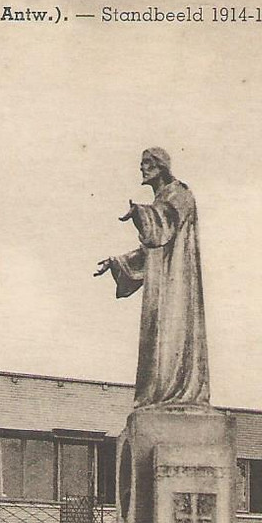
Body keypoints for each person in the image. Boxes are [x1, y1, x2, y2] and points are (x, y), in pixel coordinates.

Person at [94, 148, 210, 408]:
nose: (142, 168)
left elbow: (163, 227)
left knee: (172, 338)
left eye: (147, 163)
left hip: (177, 286)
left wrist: (140, 213)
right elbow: (151, 249)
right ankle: (158, 396)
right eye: (141, 163)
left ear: (161, 166)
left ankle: (175, 394)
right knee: (155, 341)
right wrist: (117, 262)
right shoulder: (161, 199)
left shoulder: (180, 194)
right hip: (159, 287)